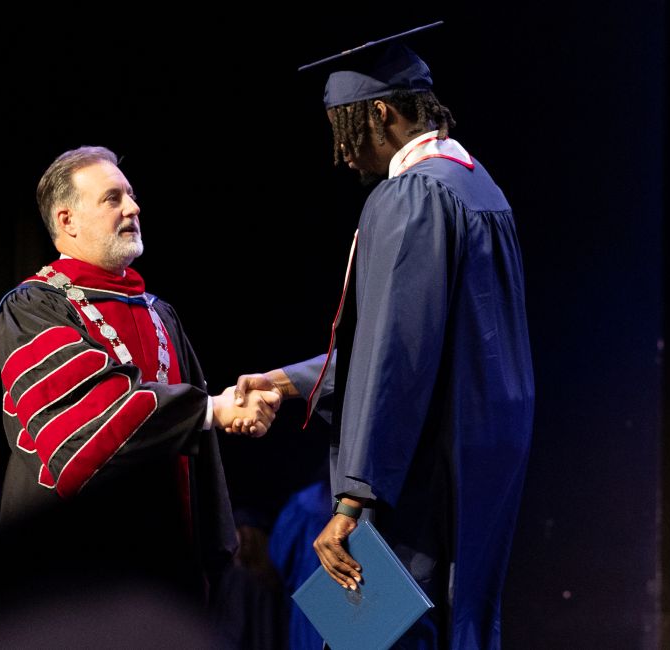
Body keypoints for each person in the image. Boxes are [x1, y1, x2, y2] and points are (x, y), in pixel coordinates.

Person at [235, 27, 534, 650]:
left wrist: (350, 502)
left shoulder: (411, 197)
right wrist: (286, 382)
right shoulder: (478, 186)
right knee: (459, 622)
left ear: (381, 112)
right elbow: (417, 346)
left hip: (414, 475)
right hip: (476, 460)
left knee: (379, 634)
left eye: (344, 131)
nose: (343, 154)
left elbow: (396, 359)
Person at [0, 145, 280, 607]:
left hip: (166, 573)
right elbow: (85, 427)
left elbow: (195, 452)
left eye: (131, 195)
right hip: (73, 578)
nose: (133, 208)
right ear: (67, 221)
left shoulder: (160, 314)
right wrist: (213, 409)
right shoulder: (34, 309)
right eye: (112, 198)